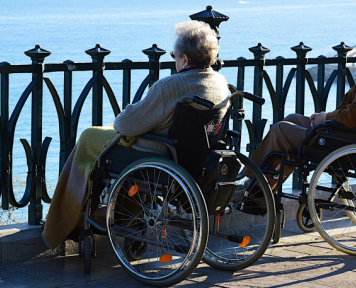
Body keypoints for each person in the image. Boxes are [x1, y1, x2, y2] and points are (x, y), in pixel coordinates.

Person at [42, 20, 230, 249]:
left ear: (186, 59)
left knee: (89, 137)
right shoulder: (220, 83)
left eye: (175, 55)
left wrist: (131, 109)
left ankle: (64, 220)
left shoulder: (170, 86)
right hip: (195, 159)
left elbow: (125, 125)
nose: (175, 60)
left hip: (159, 154)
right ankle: (112, 216)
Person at [242, 29, 356, 193]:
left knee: (281, 129)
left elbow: (353, 116)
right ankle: (260, 187)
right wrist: (325, 118)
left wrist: (325, 117)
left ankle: (254, 189)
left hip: (351, 141)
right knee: (292, 119)